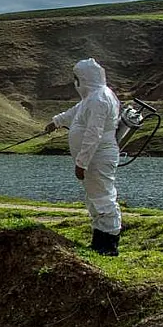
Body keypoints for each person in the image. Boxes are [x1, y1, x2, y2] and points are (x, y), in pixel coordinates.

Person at [45, 58, 122, 255]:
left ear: (84, 79)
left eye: (76, 79)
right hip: (94, 159)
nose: (75, 83)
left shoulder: (100, 99)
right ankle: (99, 241)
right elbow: (74, 113)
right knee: (95, 198)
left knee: (103, 198)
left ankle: (109, 245)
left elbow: (93, 134)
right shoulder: (91, 98)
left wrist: (82, 163)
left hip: (99, 157)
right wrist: (56, 122)